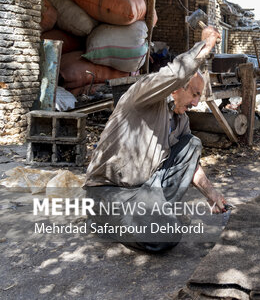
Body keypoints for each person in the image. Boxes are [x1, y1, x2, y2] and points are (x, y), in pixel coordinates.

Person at [84, 26, 227, 252]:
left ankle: (154, 214)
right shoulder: (144, 95)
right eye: (194, 94)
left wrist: (211, 194)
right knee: (166, 237)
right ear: (175, 89)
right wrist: (206, 46)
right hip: (110, 190)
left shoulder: (180, 120)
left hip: (143, 188)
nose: (196, 103)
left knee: (192, 145)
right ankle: (103, 220)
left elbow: (190, 163)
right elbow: (176, 73)